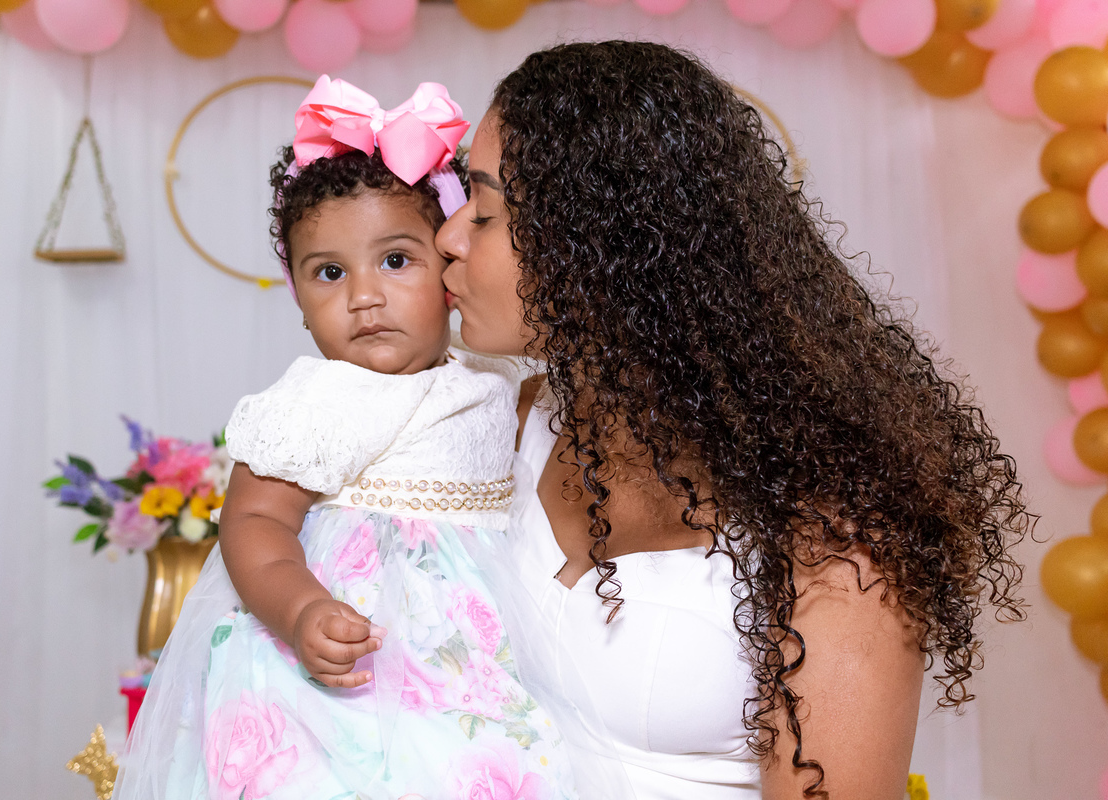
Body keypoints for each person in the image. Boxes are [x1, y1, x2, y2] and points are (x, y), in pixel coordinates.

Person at [436, 41, 1031, 800]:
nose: (449, 236)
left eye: (486, 211)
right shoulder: (511, 423)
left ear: (602, 247)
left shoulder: (836, 543)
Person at [115, 76, 577, 800]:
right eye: (330, 273)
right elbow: (255, 520)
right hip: (345, 654)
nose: (364, 296)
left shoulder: (493, 377)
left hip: (475, 655)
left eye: (395, 261)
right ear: (299, 300)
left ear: (450, 269)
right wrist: (301, 609)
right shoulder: (317, 399)